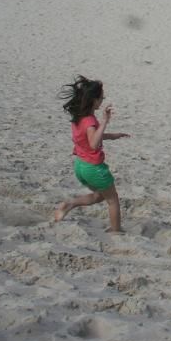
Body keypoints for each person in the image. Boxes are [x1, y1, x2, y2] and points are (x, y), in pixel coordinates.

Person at [53, 76, 130, 232]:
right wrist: (105, 121)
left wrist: (113, 136)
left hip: (80, 166)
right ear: (94, 100)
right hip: (94, 169)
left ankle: (70, 204)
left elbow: (89, 138)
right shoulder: (90, 121)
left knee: (99, 195)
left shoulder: (79, 117)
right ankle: (116, 231)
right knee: (113, 200)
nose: (102, 101)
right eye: (101, 98)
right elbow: (94, 144)